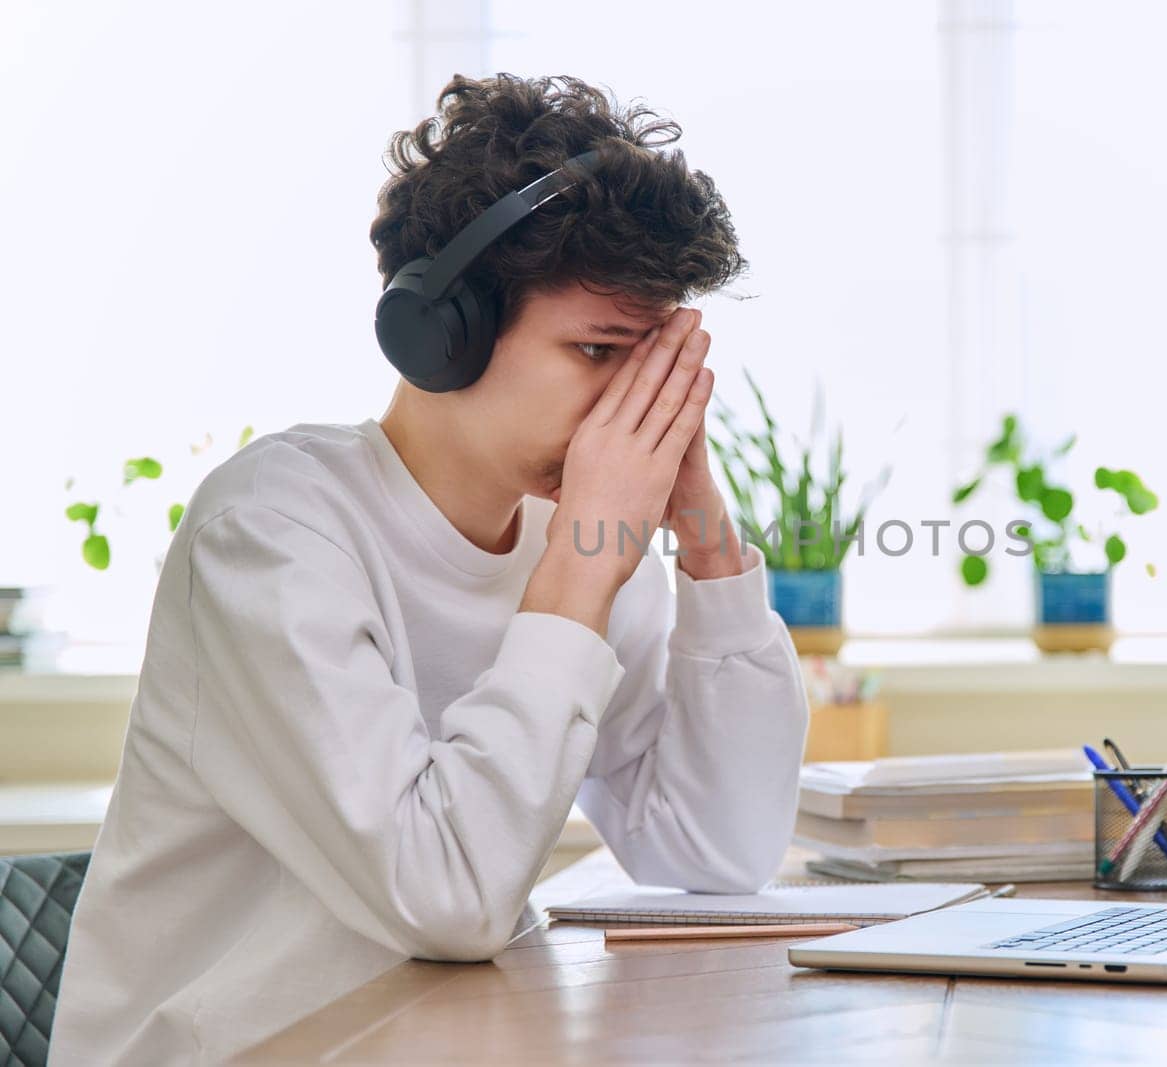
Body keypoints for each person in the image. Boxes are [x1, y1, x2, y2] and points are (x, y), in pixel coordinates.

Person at [50, 73, 808, 1065]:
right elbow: (444, 895)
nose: (633, 411)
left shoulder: (574, 535)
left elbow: (717, 851)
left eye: (650, 367)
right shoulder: (272, 531)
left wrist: (704, 538)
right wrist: (581, 578)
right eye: (595, 352)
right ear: (442, 333)